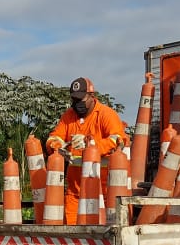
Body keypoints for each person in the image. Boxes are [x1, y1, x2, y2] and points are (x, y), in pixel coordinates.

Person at [47, 77, 128, 224]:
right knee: (72, 233)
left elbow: (118, 140)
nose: (77, 104)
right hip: (75, 191)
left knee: (98, 234)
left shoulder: (106, 114)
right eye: (74, 100)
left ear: (92, 96)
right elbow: (54, 137)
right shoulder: (68, 116)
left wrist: (90, 145)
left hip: (100, 190)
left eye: (81, 100)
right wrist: (60, 146)